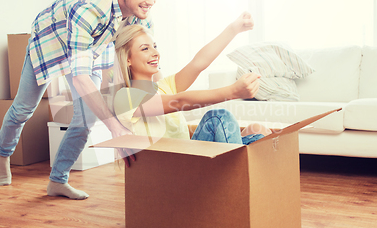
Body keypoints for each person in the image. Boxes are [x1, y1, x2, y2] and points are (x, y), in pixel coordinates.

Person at [0, 0, 162, 200]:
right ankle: (2, 155)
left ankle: (57, 181)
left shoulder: (138, 15)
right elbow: (81, 79)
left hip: (89, 47)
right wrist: (115, 127)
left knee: (86, 118)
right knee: (23, 109)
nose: (151, 1)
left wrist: (156, 100)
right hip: (51, 42)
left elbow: (145, 61)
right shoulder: (91, 9)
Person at [112, 12, 272, 150]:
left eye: (155, 46)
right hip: (173, 170)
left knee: (259, 132)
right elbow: (180, 101)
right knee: (218, 117)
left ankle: (244, 174)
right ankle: (238, 177)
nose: (155, 53)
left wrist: (234, 29)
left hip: (193, 158)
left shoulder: (164, 87)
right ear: (128, 60)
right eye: (145, 48)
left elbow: (199, 63)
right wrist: (232, 92)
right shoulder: (125, 98)